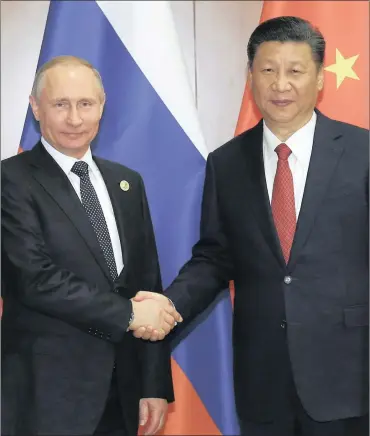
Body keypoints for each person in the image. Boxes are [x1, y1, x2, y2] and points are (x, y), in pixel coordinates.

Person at [133, 16, 369, 436]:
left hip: (350, 375)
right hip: (263, 381)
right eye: (268, 70)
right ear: (251, 77)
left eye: (295, 71)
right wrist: (167, 308)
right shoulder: (226, 164)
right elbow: (214, 259)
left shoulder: (362, 152)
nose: (281, 84)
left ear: (319, 79)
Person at [1, 55, 182, 436]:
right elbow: (34, 280)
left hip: (122, 393)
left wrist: (152, 385)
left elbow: (147, 283)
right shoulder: (11, 181)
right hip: (46, 396)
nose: (74, 119)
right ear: (36, 108)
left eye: (85, 104)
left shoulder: (127, 183)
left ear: (102, 106)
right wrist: (130, 315)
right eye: (60, 104)